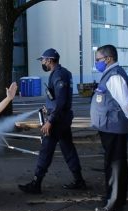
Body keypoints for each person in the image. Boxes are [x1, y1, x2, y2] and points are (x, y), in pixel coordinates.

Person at [18, 48, 86, 194]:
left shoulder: (58, 75)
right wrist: (48, 107)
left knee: (46, 152)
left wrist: (50, 120)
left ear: (49, 60)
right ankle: (79, 180)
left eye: (43, 60)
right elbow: (56, 99)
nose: (42, 63)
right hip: (62, 119)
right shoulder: (62, 73)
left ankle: (36, 184)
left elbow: (61, 101)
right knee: (68, 150)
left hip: (57, 122)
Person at [90, 44, 128, 211]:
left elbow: (124, 100)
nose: (96, 63)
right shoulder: (109, 74)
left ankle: (115, 202)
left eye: (98, 60)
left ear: (108, 59)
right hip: (109, 126)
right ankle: (112, 197)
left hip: (114, 127)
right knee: (113, 163)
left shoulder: (115, 76)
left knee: (115, 165)